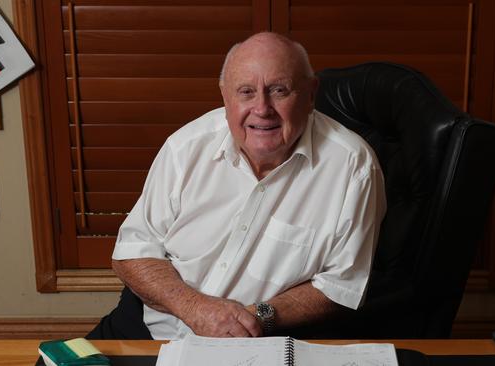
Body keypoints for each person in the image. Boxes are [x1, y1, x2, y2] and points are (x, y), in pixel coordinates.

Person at [109, 32, 386, 340]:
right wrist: (195, 309)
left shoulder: (353, 166)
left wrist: (253, 319)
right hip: (150, 331)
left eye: (279, 90)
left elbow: (341, 284)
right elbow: (132, 251)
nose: (262, 108)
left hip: (261, 340)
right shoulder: (185, 148)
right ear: (225, 96)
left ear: (310, 94)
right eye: (246, 92)